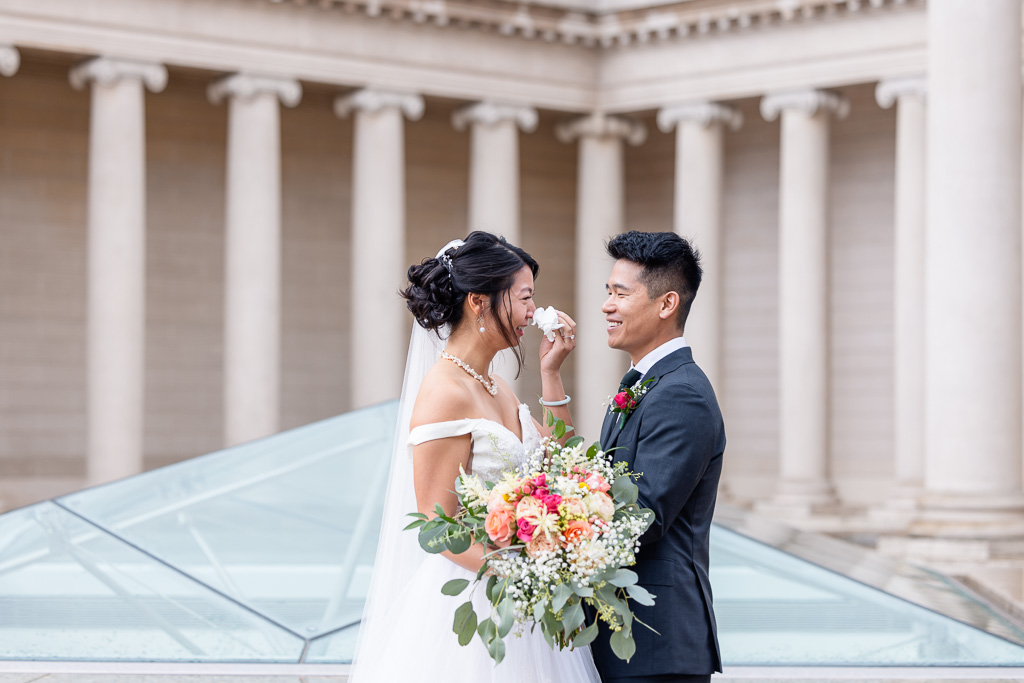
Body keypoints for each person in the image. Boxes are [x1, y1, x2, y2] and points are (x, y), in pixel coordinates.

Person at [350, 231, 600, 682]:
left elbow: (563, 465)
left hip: (521, 598)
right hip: (477, 603)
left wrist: (551, 374)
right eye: (525, 298)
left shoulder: (496, 385)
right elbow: (433, 523)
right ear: (479, 302)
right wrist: (520, 571)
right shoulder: (444, 392)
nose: (532, 312)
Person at [590, 231, 726, 683]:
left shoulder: (681, 394)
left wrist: (545, 538)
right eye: (608, 292)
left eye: (620, 294)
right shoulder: (646, 384)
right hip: (628, 639)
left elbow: (641, 517)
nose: (607, 306)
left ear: (667, 304)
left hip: (656, 645)